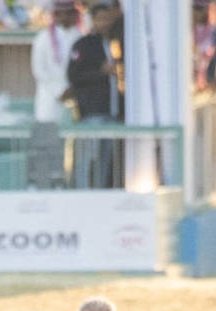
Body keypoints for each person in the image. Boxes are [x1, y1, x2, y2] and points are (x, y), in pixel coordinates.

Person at [67, 3, 121, 187]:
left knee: (105, 159)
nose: (105, 23)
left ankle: (100, 191)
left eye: (108, 19)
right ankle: (81, 192)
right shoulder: (84, 45)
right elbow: (74, 76)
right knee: (87, 157)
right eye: (101, 19)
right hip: (92, 112)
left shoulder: (114, 43)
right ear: (92, 20)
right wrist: (101, 71)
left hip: (111, 111)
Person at [32, 0, 83, 124]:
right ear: (55, 15)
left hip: (75, 96)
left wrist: (72, 90)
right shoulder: (42, 38)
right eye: (61, 13)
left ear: (75, 14)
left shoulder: (81, 38)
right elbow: (39, 70)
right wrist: (59, 90)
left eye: (69, 13)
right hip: (49, 97)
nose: (65, 16)